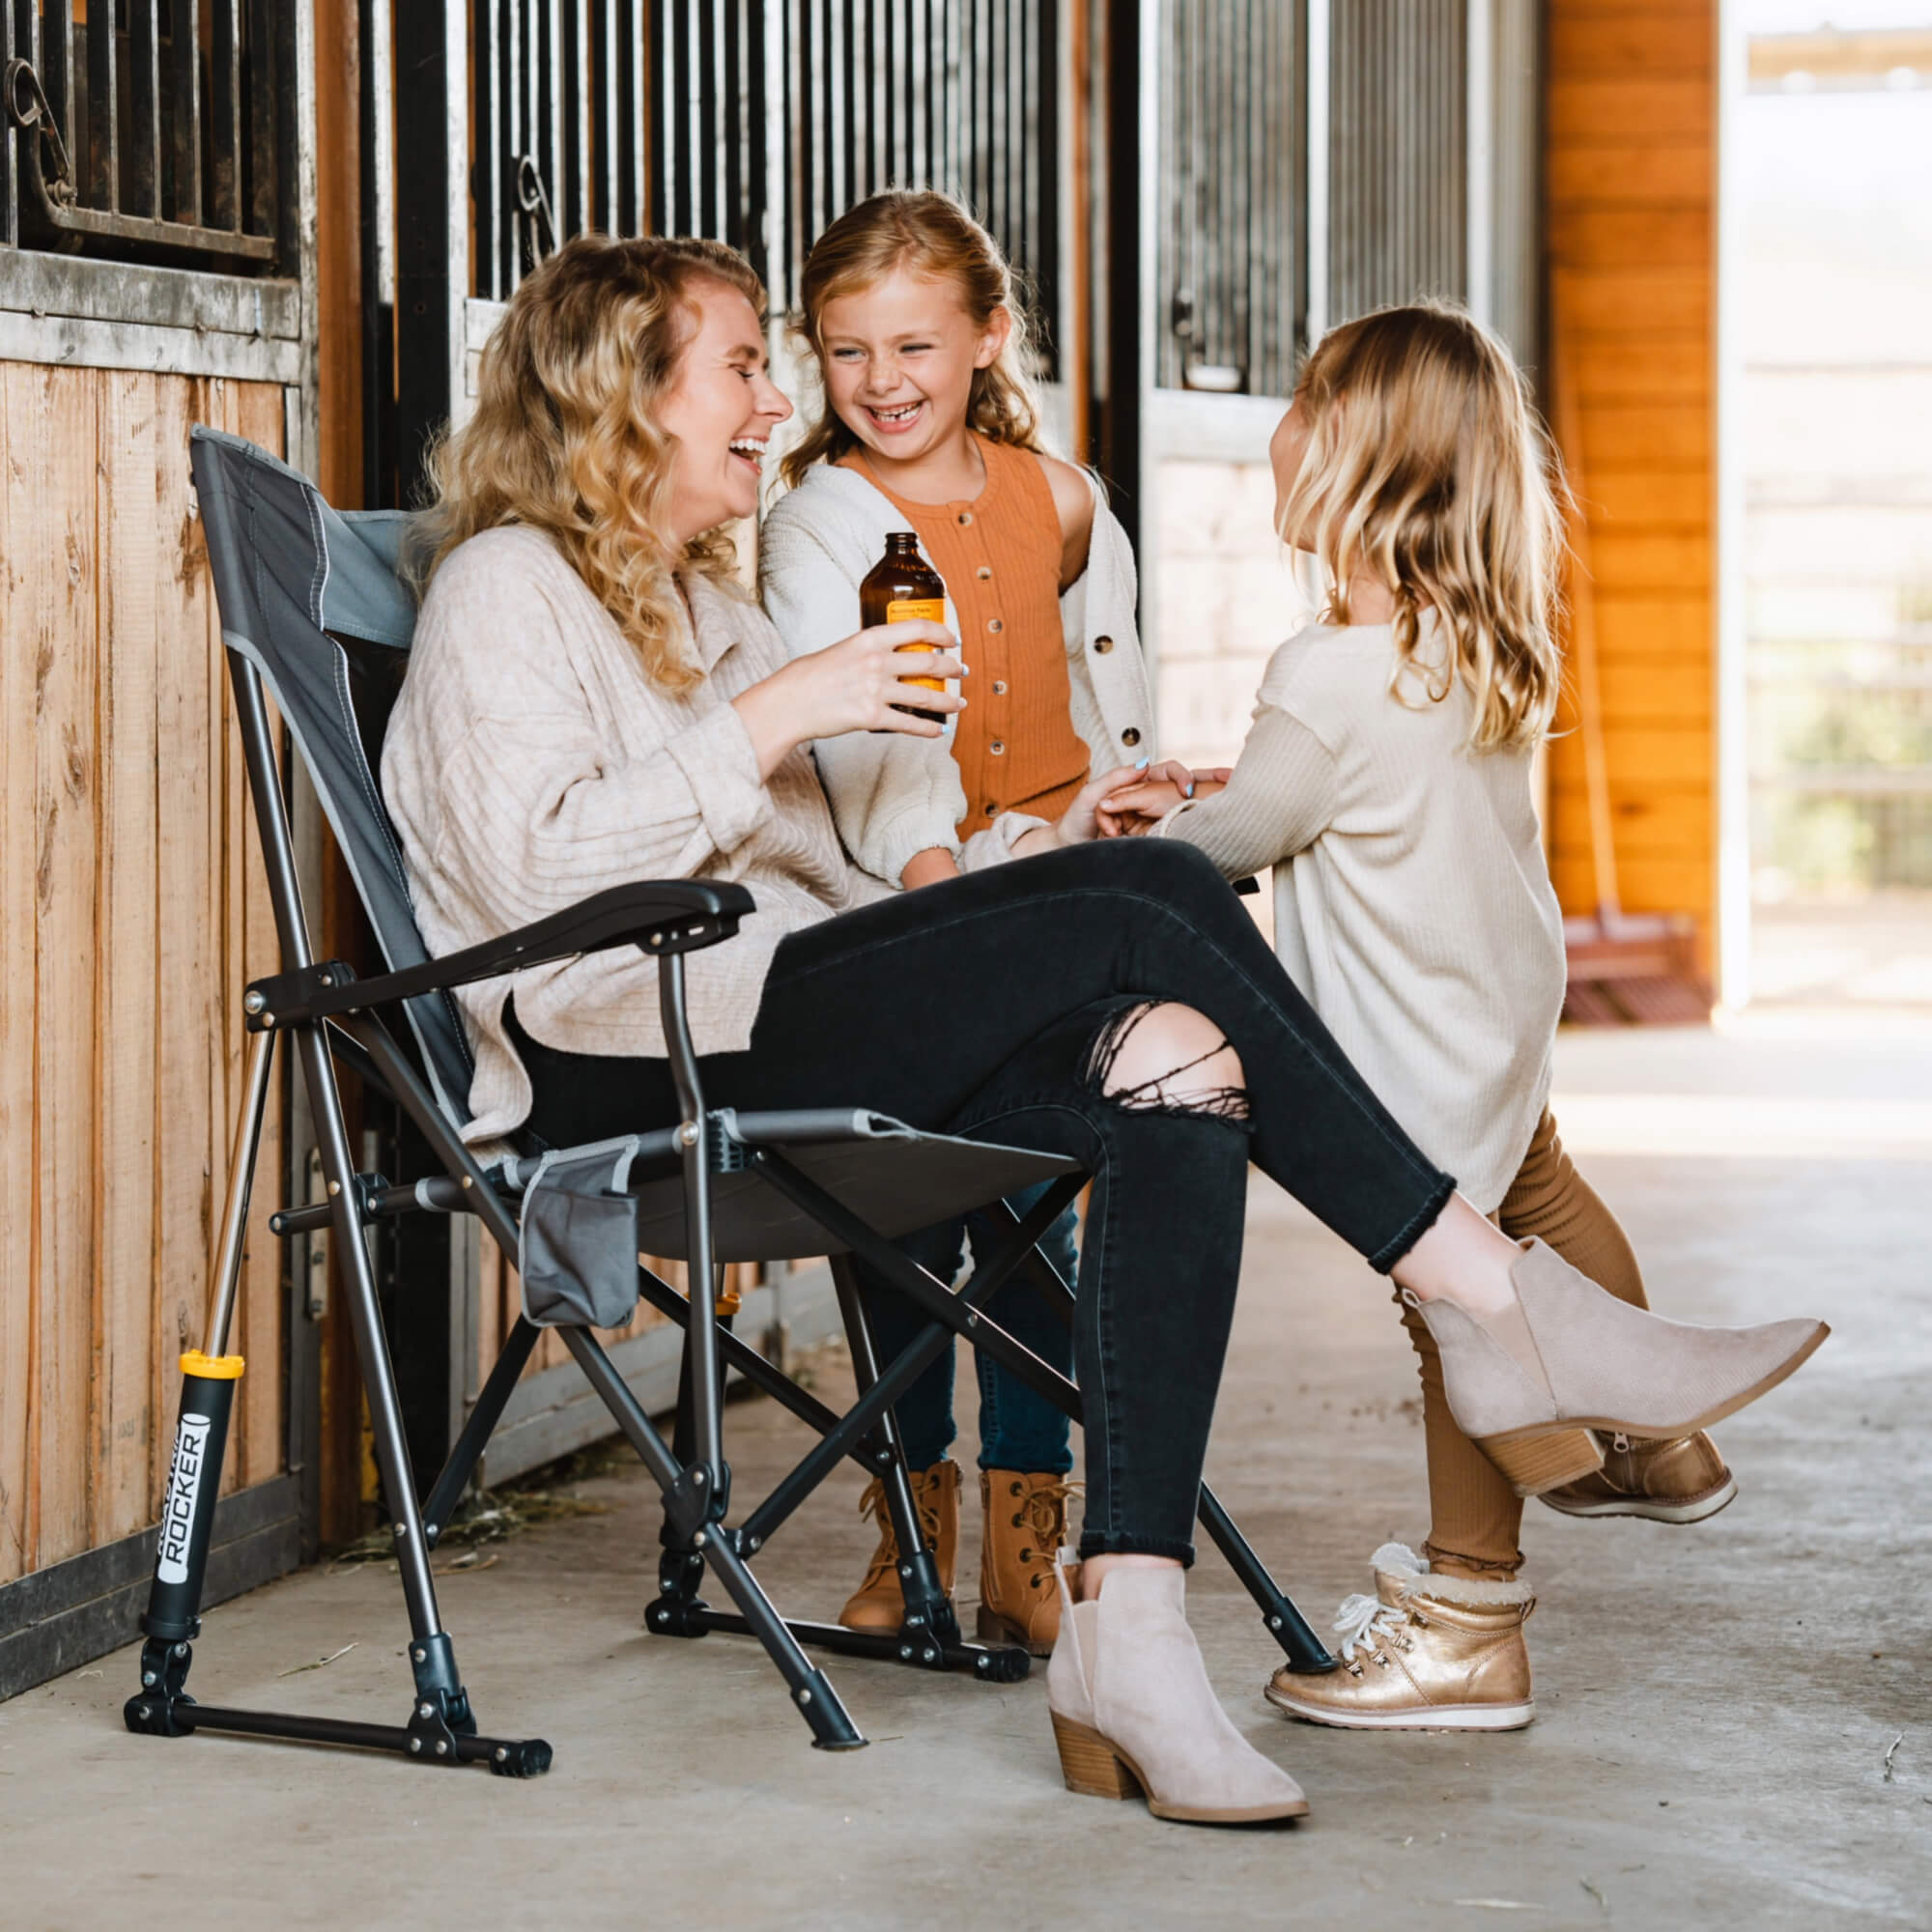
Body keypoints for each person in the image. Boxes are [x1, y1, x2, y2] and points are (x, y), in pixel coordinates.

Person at [380, 235, 1826, 1824]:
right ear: (621, 400)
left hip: (780, 1009)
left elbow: (848, 880)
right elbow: (530, 881)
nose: (776, 401)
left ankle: (1126, 1632)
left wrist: (1036, 857)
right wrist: (785, 712)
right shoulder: (502, 589)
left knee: (1172, 1064)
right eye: (740, 366)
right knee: (1153, 902)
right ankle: (1493, 1294)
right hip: (628, 1053)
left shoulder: (701, 613)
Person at [1099, 300, 1814, 1731]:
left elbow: (1249, 840)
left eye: (1306, 400)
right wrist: (1220, 794)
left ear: (1359, 459)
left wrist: (1163, 820)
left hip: (1410, 1045)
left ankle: (1468, 1615)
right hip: (1496, 1007)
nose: (1283, 425)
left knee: (1461, 1309)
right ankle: (1656, 1439)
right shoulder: (1470, 636)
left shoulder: (1325, 670)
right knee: (1539, 1193)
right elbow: (1340, 808)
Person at [759, 189, 1219, 1655]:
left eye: (913, 343)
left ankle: (1031, 1533)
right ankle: (907, 1523)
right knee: (901, 1209)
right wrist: (932, 883)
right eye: (846, 352)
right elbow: (871, 755)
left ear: (988, 337)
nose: (883, 380)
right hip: (920, 897)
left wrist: (1124, 803)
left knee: (1030, 1199)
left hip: (1051, 873)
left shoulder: (1064, 498)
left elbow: (1103, 689)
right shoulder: (819, 522)